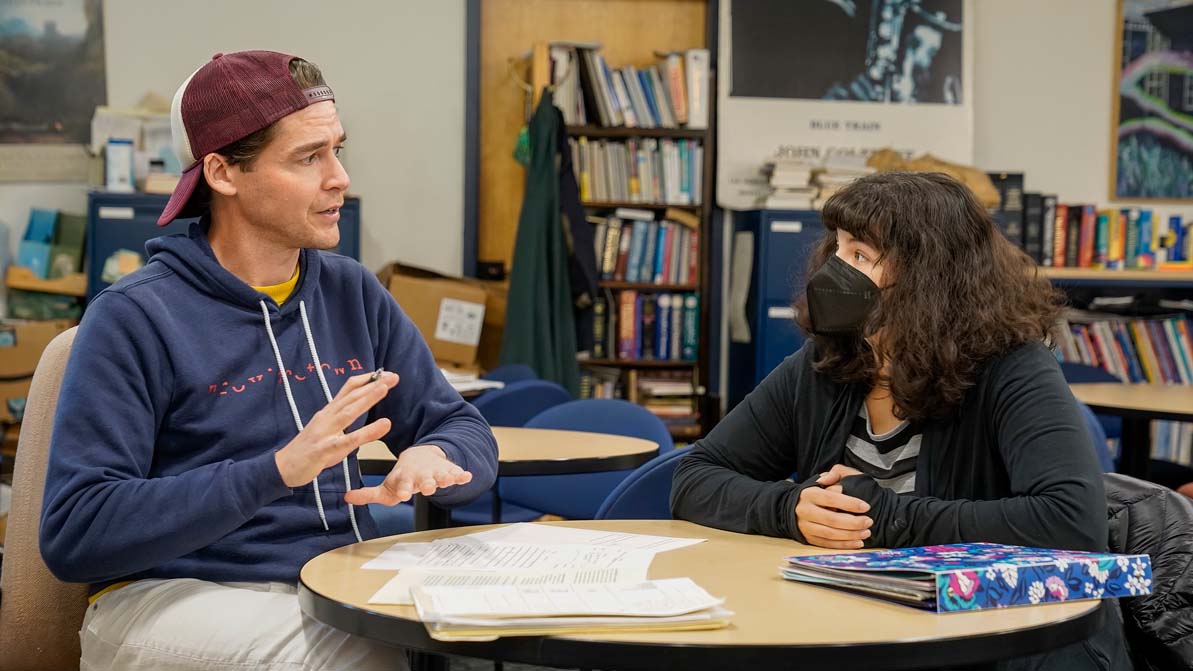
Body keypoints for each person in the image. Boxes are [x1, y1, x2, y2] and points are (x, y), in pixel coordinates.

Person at [39, 50, 498, 670]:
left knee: (475, 643)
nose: (339, 178)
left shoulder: (352, 292)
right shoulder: (135, 317)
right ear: (223, 173)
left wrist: (434, 455)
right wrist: (278, 469)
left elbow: (462, 426)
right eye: (309, 158)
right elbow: (77, 531)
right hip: (165, 597)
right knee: (365, 656)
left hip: (335, 584)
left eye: (337, 150)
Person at [671, 172, 1131, 669]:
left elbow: (1071, 522)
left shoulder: (1013, 367)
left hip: (1004, 643)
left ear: (927, 277)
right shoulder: (825, 364)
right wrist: (792, 509)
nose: (833, 269)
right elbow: (695, 477)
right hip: (858, 625)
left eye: (861, 256)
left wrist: (887, 517)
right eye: (839, 249)